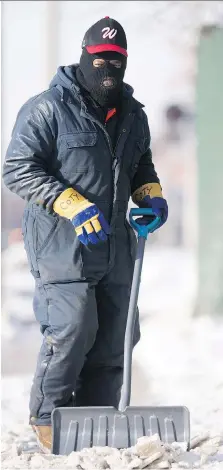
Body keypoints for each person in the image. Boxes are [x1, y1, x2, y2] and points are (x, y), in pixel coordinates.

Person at [2, 17, 168, 453]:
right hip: (61, 246)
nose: (108, 69)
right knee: (73, 327)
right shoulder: (46, 108)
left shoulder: (133, 115)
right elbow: (17, 168)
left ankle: (95, 421)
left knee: (118, 334)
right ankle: (49, 415)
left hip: (114, 244)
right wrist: (69, 202)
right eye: (100, 61)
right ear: (83, 57)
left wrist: (149, 194)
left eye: (117, 61)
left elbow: (141, 163)